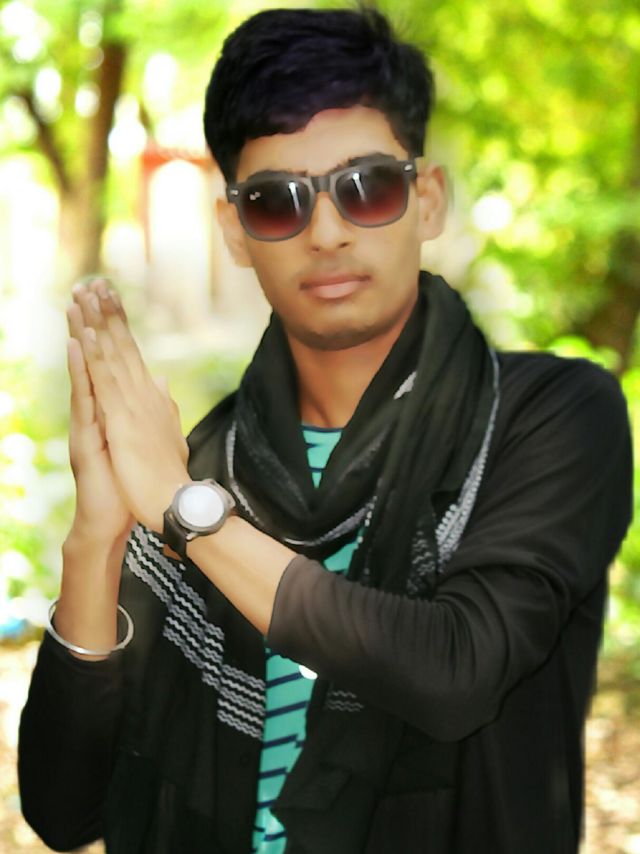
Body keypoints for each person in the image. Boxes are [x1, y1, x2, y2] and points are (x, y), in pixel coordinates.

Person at [18, 7, 633, 854]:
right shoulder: (204, 467)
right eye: (278, 202)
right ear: (235, 231)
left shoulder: (545, 416)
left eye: (367, 186)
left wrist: (185, 512)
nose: (328, 232)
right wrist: (96, 538)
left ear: (427, 199)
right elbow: (64, 809)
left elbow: (457, 669)